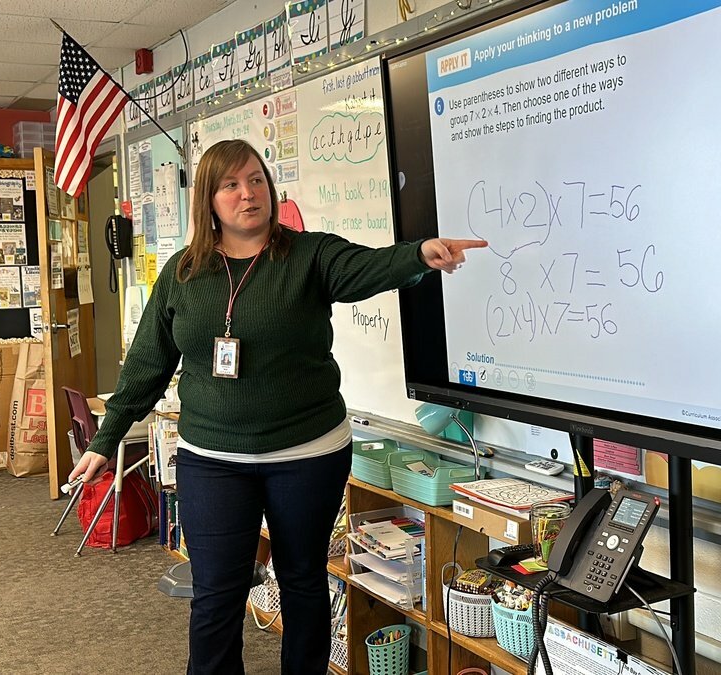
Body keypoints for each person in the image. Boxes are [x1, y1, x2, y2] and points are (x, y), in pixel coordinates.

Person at [69, 138, 486, 674]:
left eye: (256, 180)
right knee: (216, 592)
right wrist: (107, 439)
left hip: (307, 454)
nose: (248, 194)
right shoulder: (183, 274)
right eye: (231, 185)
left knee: (302, 579)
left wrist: (418, 255)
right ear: (209, 199)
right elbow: (147, 365)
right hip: (213, 459)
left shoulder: (310, 256)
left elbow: (368, 267)